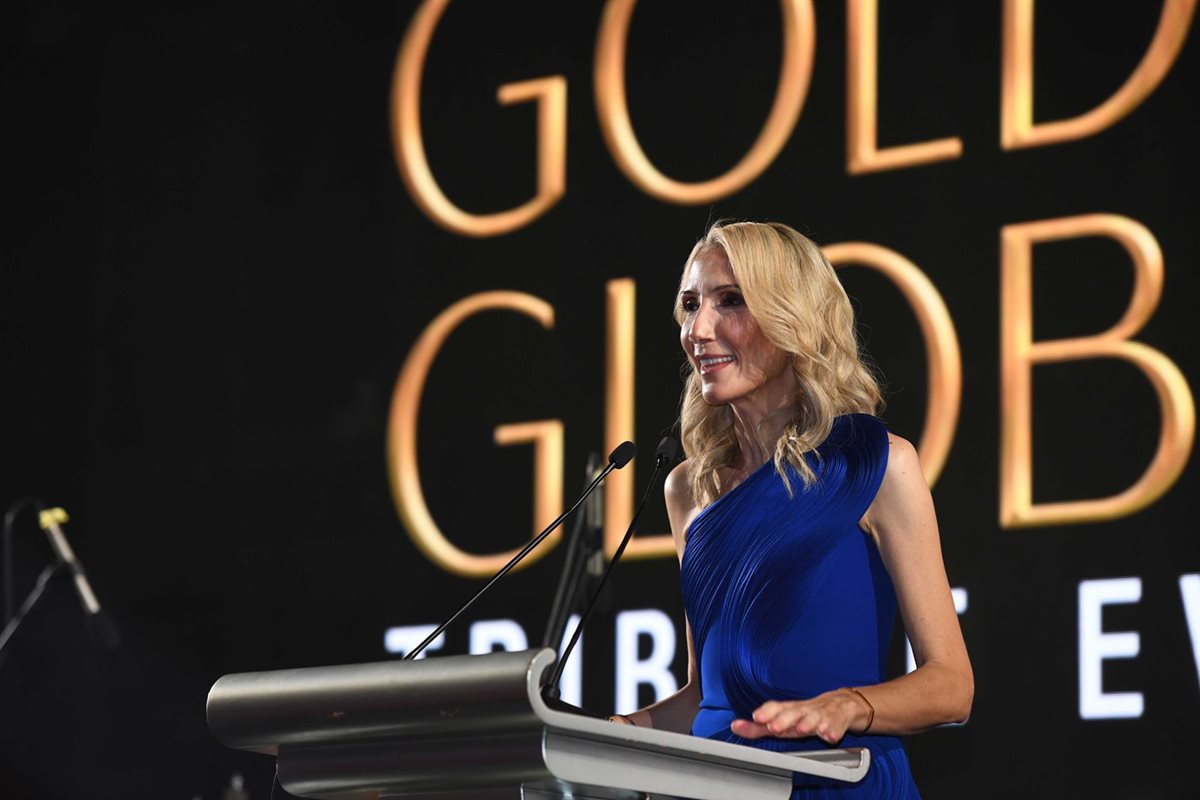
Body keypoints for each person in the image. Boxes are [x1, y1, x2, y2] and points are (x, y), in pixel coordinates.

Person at [607, 221, 972, 798]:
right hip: (725, 787)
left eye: (731, 301)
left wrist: (847, 707)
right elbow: (708, 700)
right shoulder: (688, 491)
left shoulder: (875, 465)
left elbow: (952, 687)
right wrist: (622, 731)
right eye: (690, 305)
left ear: (792, 317)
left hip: (838, 781)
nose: (698, 330)